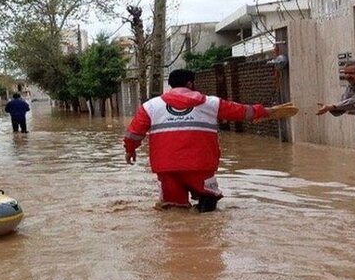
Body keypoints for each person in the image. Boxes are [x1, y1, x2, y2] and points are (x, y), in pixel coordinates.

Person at [124, 69, 289, 213]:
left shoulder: (150, 106)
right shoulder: (211, 103)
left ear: (171, 85)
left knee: (173, 211)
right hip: (200, 166)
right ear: (190, 83)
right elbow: (241, 111)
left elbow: (133, 133)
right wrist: (266, 111)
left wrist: (130, 150)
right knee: (209, 207)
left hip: (167, 169)